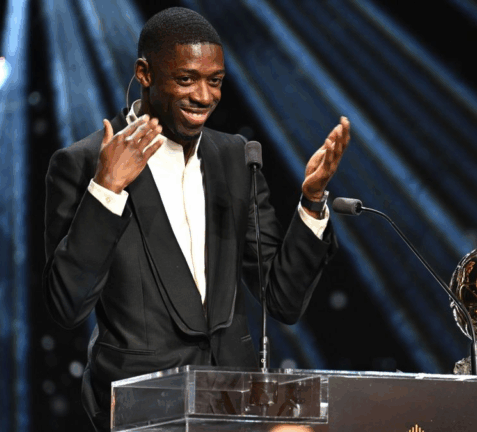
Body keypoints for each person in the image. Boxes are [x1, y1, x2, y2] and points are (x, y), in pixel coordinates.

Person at [42, 7, 350, 431]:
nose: (204, 96)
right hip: (143, 409)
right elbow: (66, 306)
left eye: (215, 81)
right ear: (145, 73)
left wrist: (312, 202)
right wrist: (106, 189)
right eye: (186, 79)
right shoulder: (83, 163)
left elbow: (281, 298)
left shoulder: (235, 157)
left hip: (236, 406)